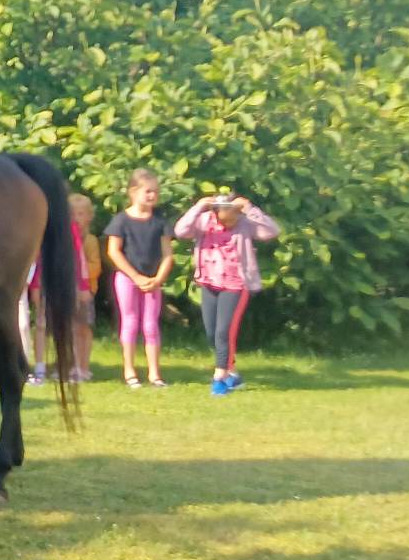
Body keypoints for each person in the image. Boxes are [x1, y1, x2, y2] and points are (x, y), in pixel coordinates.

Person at [173, 190, 280, 395]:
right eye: (225, 217)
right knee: (212, 333)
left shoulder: (246, 224)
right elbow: (181, 231)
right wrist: (198, 207)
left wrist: (250, 209)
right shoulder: (205, 221)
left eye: (234, 217)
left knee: (224, 332)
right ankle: (233, 374)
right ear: (215, 212)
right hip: (209, 282)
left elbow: (271, 231)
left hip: (236, 285)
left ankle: (220, 378)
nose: (230, 222)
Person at [105, 168, 172, 389]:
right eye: (148, 191)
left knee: (151, 325)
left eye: (155, 192)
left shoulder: (160, 222)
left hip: (152, 281)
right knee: (130, 322)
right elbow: (113, 251)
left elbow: (167, 255)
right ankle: (129, 370)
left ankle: (155, 373)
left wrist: (157, 279)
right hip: (127, 278)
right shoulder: (121, 220)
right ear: (133, 192)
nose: (152, 196)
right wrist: (135, 277)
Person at [68, 193, 100, 384]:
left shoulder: (90, 241)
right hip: (67, 292)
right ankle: (70, 365)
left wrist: (83, 280)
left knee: (83, 328)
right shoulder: (63, 240)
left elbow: (95, 265)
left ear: (88, 216)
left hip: (86, 291)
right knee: (67, 329)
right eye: (72, 215)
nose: (76, 219)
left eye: (80, 214)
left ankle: (84, 366)